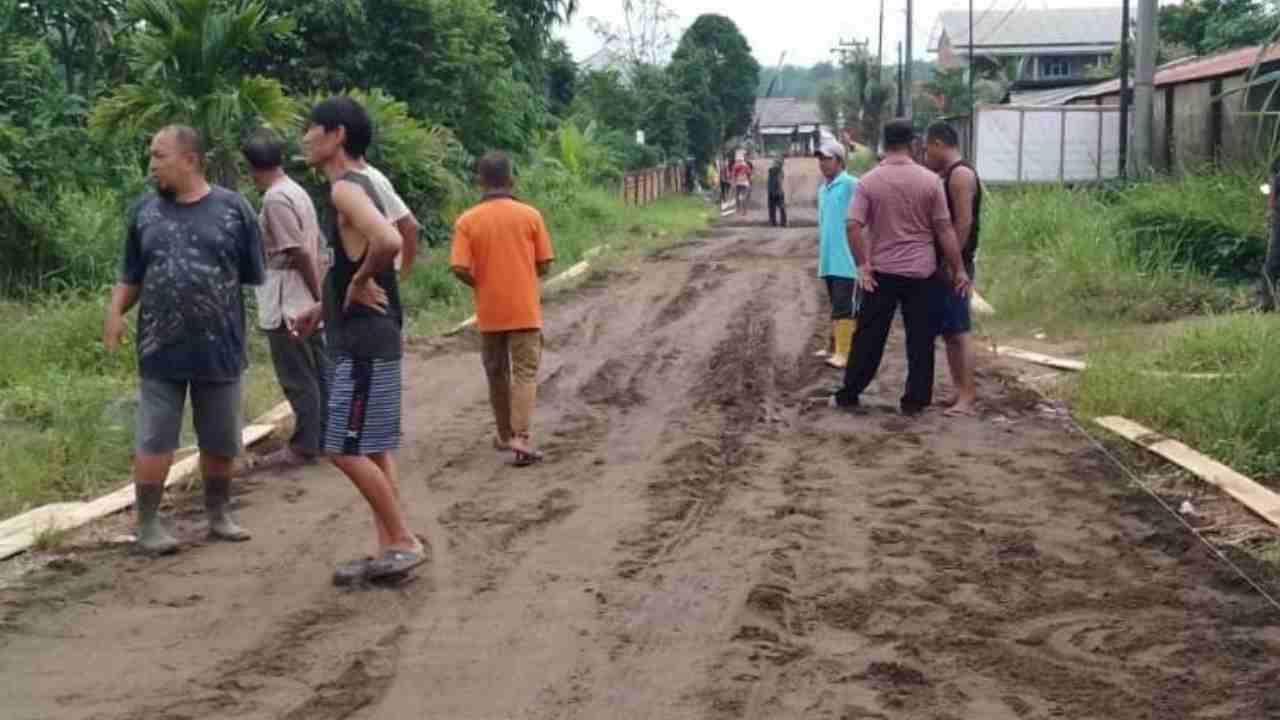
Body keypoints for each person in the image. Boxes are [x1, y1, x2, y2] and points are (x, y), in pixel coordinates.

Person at [103, 125, 264, 554]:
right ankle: (149, 524)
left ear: (189, 160)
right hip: (160, 349)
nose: (152, 165)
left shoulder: (235, 210)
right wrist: (115, 312)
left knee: (220, 437)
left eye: (159, 155)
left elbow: (248, 275)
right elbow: (132, 274)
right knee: (156, 438)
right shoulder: (143, 212)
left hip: (220, 347)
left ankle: (218, 514)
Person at [289, 96, 425, 584]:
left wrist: (360, 280)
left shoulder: (346, 190)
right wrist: (324, 306)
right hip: (370, 336)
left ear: (337, 135)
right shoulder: (365, 185)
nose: (305, 137)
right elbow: (376, 248)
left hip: (363, 343)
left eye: (312, 128)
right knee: (371, 447)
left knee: (342, 448)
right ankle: (390, 546)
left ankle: (404, 542)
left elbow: (387, 245)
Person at [831, 119, 970, 416]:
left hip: (882, 273)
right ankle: (915, 401)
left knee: (868, 337)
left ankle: (850, 393)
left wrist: (863, 266)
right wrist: (958, 269)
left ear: (884, 143)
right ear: (913, 142)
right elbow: (945, 229)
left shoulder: (869, 181)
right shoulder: (930, 181)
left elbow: (853, 225)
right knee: (920, 340)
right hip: (921, 273)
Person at [450, 151, 555, 466]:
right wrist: (524, 277)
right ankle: (520, 437)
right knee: (524, 373)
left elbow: (458, 267)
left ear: (480, 182)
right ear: (511, 179)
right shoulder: (530, 215)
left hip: (490, 311)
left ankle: (504, 432)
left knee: (496, 372)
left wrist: (481, 283)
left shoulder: (468, 221)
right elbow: (545, 262)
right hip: (524, 309)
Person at [241, 129, 328, 468]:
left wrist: (317, 293)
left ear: (251, 166)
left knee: (297, 375)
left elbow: (297, 251)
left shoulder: (275, 199)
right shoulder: (296, 191)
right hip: (303, 293)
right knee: (318, 370)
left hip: (288, 298)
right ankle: (323, 437)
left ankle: (306, 445)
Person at [924, 120, 982, 417]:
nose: (925, 154)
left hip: (955, 265)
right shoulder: (948, 174)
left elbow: (963, 223)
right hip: (948, 264)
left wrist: (953, 263)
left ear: (938, 143)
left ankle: (968, 396)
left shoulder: (960, 176)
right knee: (950, 331)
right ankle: (959, 390)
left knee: (960, 332)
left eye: (927, 148)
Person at [814, 141, 859, 369]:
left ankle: (844, 353)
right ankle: (834, 347)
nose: (822, 163)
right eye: (820, 159)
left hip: (847, 260)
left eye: (827, 159)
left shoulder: (852, 185)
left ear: (839, 161)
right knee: (835, 305)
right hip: (829, 258)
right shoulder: (823, 189)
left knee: (844, 307)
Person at [350, 157, 420, 282]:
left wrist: (402, 276)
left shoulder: (368, 179)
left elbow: (410, 226)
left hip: (377, 275)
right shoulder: (359, 177)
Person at [767, 156, 788, 228]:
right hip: (777, 192)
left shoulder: (772, 171)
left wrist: (776, 191)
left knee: (773, 208)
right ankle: (782, 223)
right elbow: (778, 181)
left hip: (773, 191)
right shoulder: (778, 171)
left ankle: (774, 222)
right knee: (780, 207)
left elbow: (777, 181)